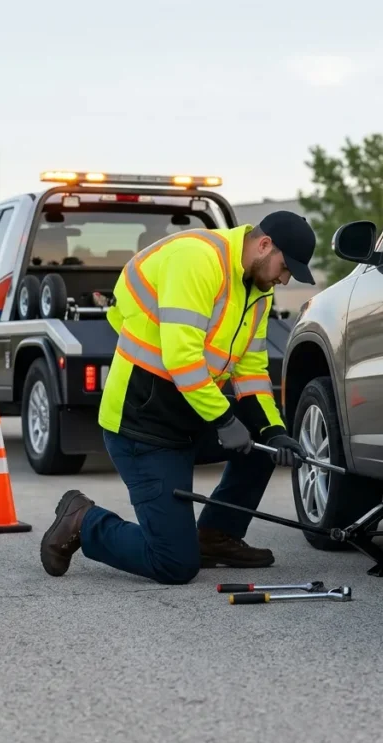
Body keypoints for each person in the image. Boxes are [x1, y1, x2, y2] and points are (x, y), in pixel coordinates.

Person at [39, 211, 317, 584]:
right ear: (265, 245)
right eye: (285, 268)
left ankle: (216, 536)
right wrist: (224, 420)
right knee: (174, 564)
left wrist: (275, 431)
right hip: (143, 425)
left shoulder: (257, 290)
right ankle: (83, 520)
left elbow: (251, 369)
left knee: (262, 440)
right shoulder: (198, 260)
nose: (284, 279)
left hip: (190, 416)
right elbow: (181, 358)